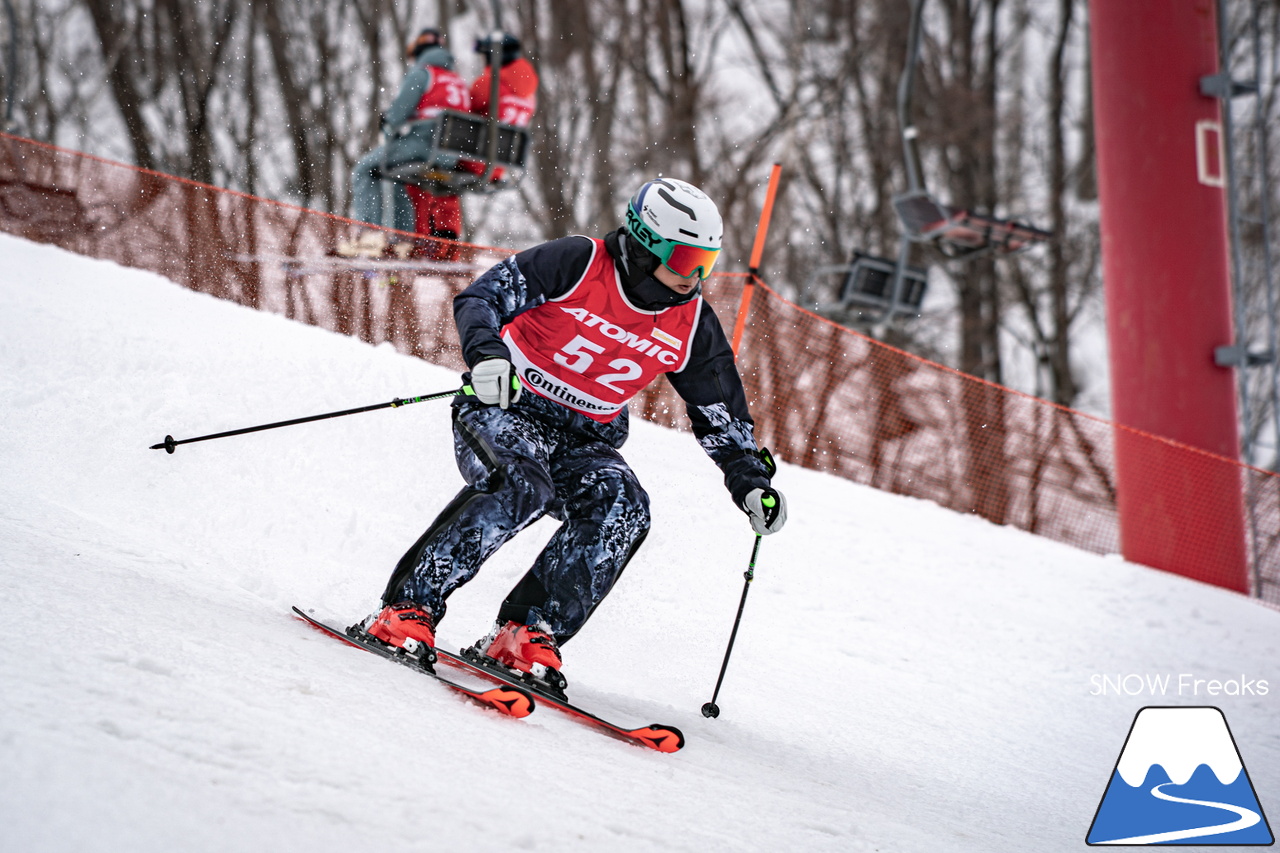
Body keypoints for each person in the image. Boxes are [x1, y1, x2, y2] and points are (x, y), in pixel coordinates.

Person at [362, 177, 788, 690]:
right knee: (521, 485)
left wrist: (749, 481)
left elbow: (719, 408)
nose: (692, 277)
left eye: (706, 264)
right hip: (507, 409)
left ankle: (526, 632)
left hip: (586, 440)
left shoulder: (692, 320)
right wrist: (488, 356)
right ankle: (407, 609)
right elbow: (482, 298)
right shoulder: (578, 262)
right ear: (645, 243)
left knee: (624, 507)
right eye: (683, 261)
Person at [342, 28, 469, 257]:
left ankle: (368, 236)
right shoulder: (458, 81)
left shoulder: (423, 73)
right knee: (398, 175)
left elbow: (398, 113)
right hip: (450, 154)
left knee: (365, 169)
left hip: (425, 146)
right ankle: (404, 241)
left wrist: (388, 124)